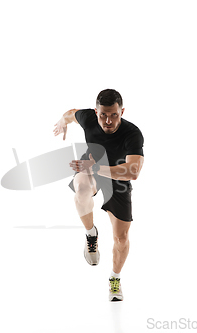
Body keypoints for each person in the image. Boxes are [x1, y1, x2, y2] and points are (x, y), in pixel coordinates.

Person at [53, 89, 144, 301]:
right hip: (90, 167)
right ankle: (90, 233)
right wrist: (62, 121)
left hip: (117, 178)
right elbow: (71, 113)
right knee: (82, 186)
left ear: (122, 112)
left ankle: (115, 278)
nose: (108, 120)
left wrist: (96, 168)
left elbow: (133, 172)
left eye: (114, 115)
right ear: (96, 112)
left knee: (121, 238)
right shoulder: (88, 118)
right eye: (103, 114)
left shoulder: (132, 134)